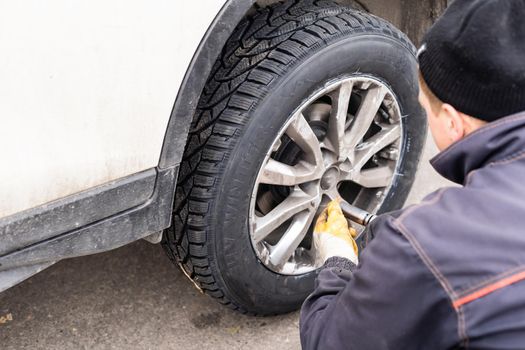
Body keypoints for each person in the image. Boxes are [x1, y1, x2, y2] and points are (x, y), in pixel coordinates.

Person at [300, 0, 525, 349]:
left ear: (452, 121)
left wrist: (337, 261)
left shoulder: (425, 247)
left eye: (425, 106)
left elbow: (330, 342)